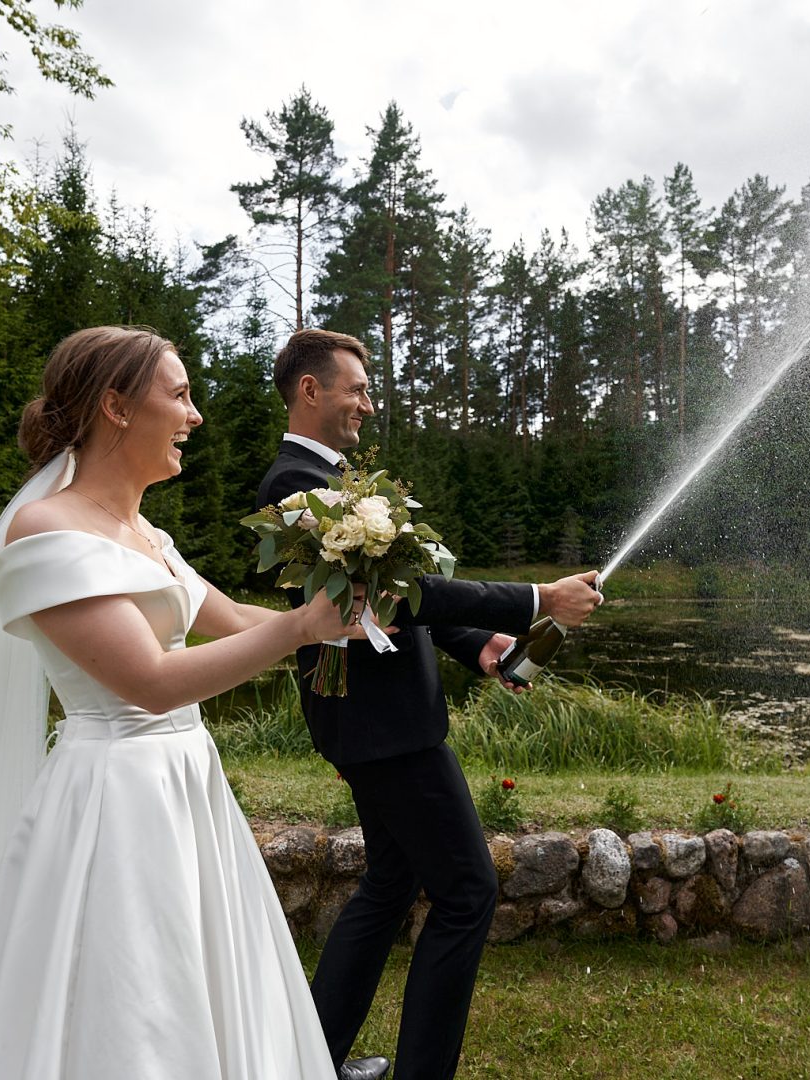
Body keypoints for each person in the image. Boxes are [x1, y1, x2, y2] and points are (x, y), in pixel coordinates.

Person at [0, 326, 379, 1080]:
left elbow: (240, 622)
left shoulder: (147, 533)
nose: (195, 415)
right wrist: (304, 628)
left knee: (207, 982)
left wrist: (341, 610)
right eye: (178, 396)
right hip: (114, 798)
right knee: (130, 994)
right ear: (115, 406)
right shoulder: (45, 530)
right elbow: (146, 682)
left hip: (187, 784)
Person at [257, 328, 602, 1080]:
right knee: (467, 890)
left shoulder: (341, 481)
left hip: (384, 724)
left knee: (389, 883)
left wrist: (476, 642)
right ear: (310, 390)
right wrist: (538, 598)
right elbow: (383, 595)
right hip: (384, 730)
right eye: (356, 389)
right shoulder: (291, 486)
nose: (367, 404)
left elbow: (404, 597)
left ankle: (310, 1060)